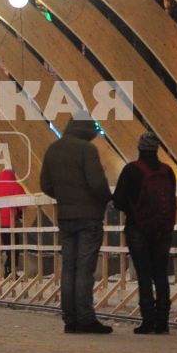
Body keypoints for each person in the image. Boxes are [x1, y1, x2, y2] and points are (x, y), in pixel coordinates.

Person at [40, 119, 113, 334]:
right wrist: (106, 199)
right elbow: (97, 183)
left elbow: (45, 184)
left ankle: (70, 319)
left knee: (69, 267)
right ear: (87, 130)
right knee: (84, 269)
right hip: (89, 217)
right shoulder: (86, 150)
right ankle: (86, 319)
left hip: (65, 217)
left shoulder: (53, 149)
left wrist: (65, 197)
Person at [112, 133, 177, 336]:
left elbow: (118, 201)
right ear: (157, 149)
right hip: (163, 230)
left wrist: (133, 210)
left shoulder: (132, 170)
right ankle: (163, 323)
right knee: (161, 273)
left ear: (140, 148)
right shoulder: (168, 172)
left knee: (144, 274)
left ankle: (148, 321)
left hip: (138, 228)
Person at [0, 167, 24, 278]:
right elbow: (23, 204)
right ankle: (9, 269)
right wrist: (19, 214)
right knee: (12, 247)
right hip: (9, 223)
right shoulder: (16, 186)